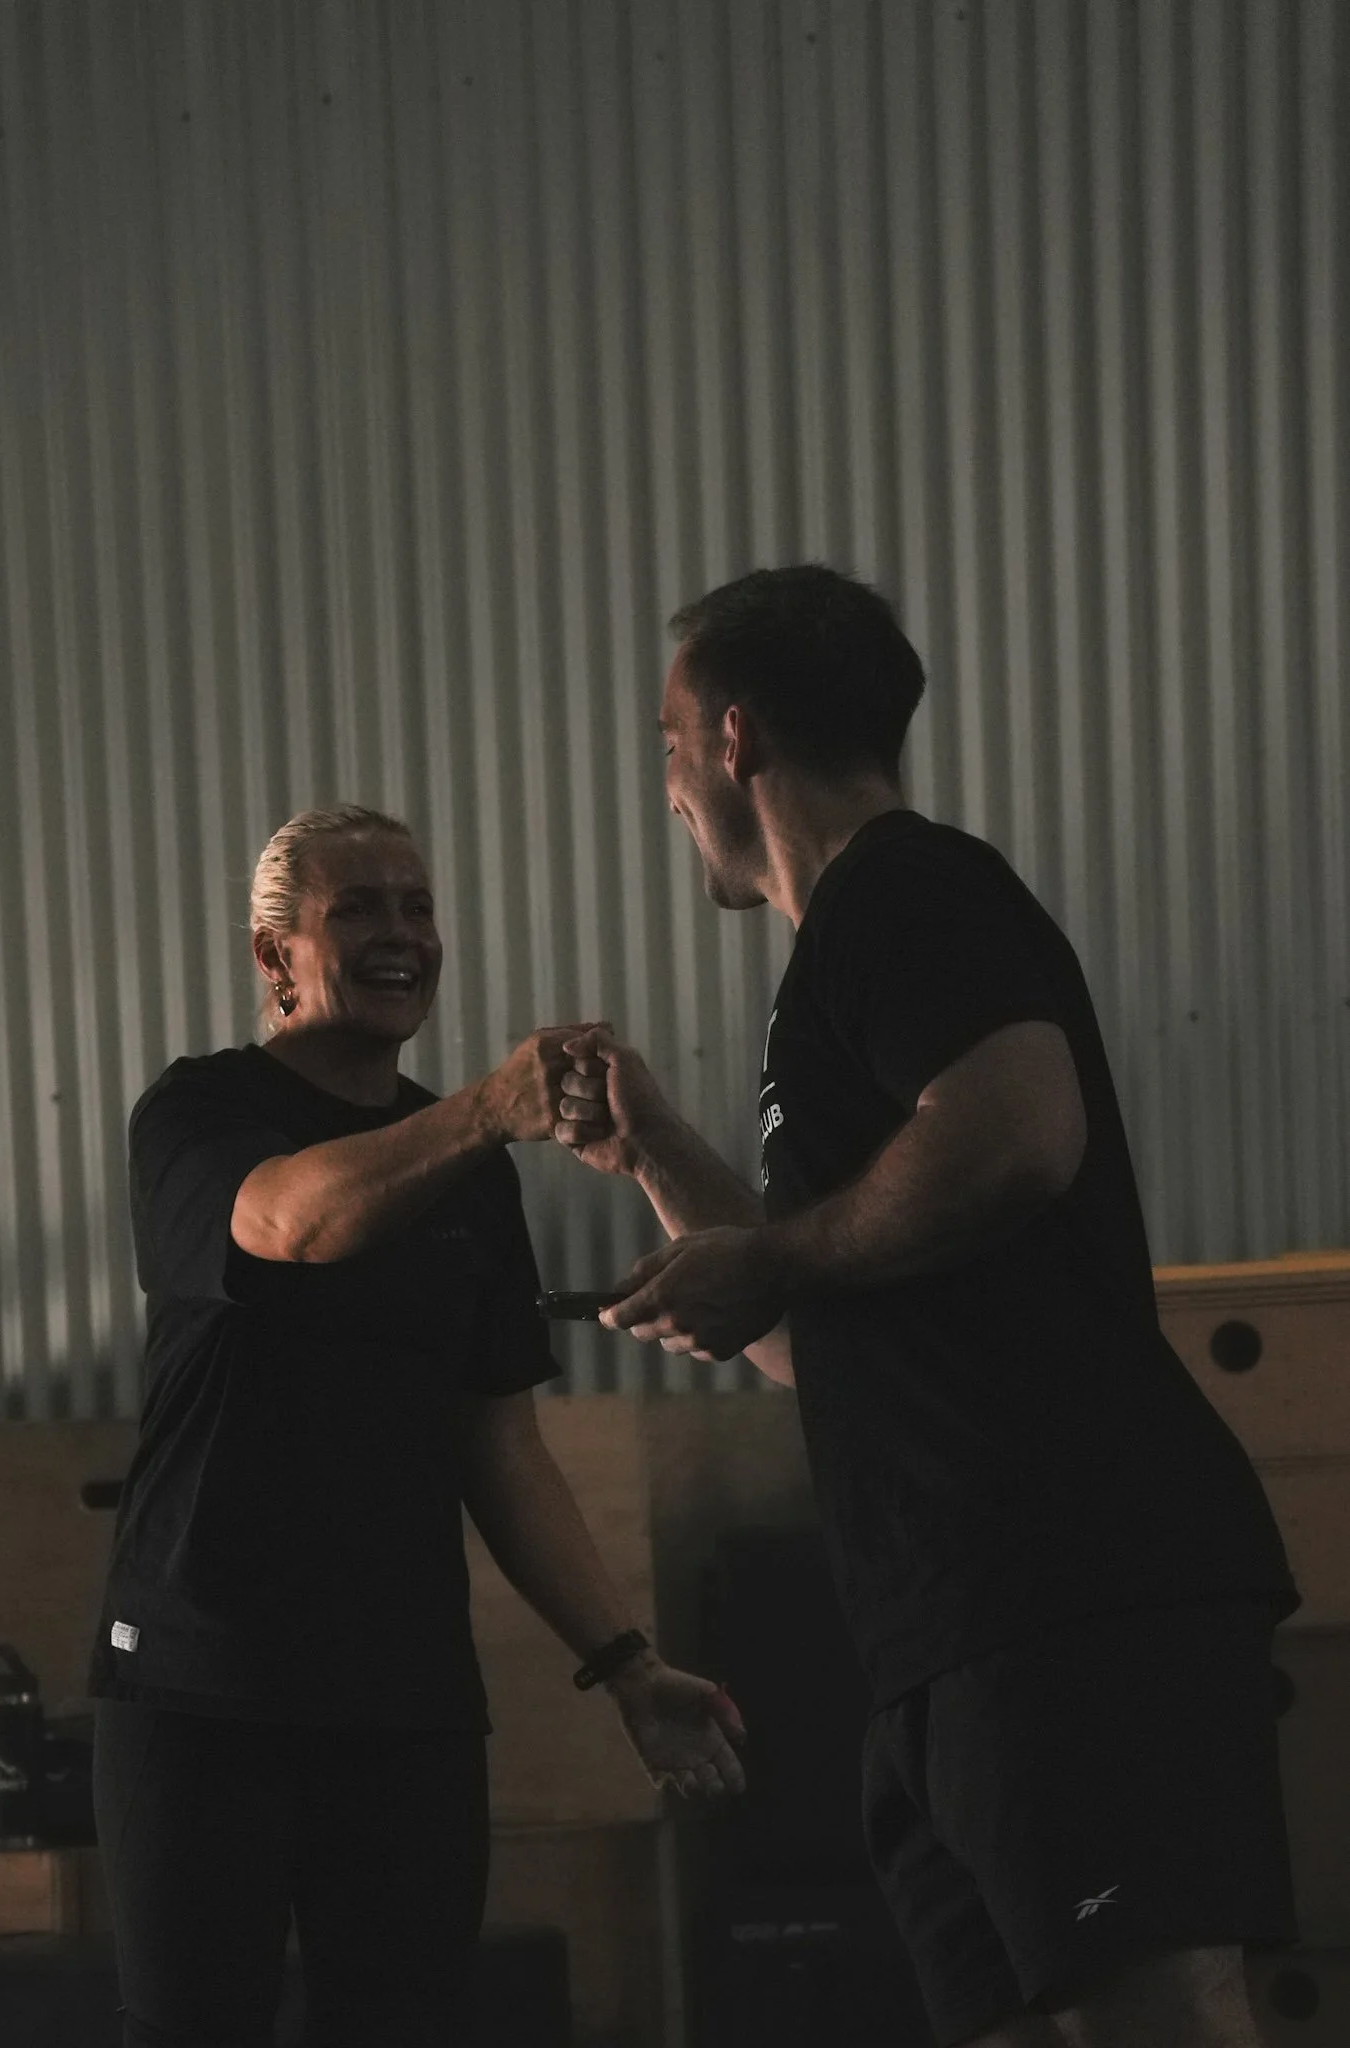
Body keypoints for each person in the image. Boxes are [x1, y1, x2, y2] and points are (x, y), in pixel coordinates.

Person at [553, 567, 1300, 2048]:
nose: (666, 789)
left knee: (1151, 2013)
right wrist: (651, 1150)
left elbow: (1021, 1131)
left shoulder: (907, 888)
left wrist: (773, 1256)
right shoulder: (834, 964)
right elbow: (801, 1335)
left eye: (665, 745)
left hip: (1066, 1586)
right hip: (946, 1623)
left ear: (735, 737)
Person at [88, 803, 746, 2048]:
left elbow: (501, 1447)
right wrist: (487, 1111)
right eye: (360, 911)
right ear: (273, 957)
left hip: (401, 1694)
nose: (402, 935)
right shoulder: (198, 1113)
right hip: (198, 1682)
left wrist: (625, 1661)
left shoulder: (473, 1173)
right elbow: (286, 1223)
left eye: (418, 907)